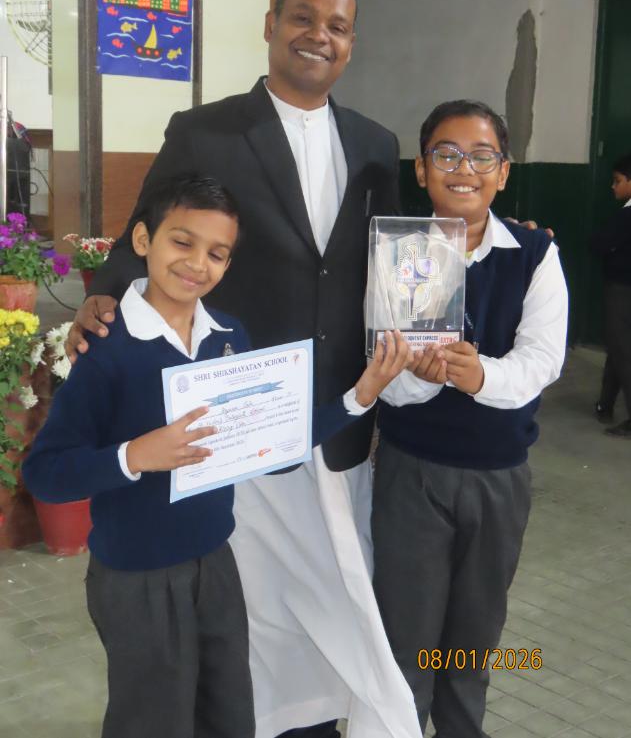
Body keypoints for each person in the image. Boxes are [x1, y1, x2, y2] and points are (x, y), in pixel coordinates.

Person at [63, 0, 411, 738]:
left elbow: (400, 261)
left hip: (337, 411)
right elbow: (145, 232)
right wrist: (104, 296)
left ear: (351, 43)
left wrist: (490, 250)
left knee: (334, 587)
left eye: (336, 26)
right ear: (269, 24)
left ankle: (319, 719)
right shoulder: (207, 131)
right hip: (240, 405)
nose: (318, 35)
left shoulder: (375, 145)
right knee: (248, 599)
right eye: (302, 18)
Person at [23, 173, 412, 738]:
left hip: (216, 562)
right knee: (152, 721)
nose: (197, 263)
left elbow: (271, 446)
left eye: (217, 253)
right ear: (143, 241)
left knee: (227, 710)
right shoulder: (107, 348)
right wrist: (135, 455)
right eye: (182, 242)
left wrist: (358, 398)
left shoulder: (227, 334)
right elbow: (46, 474)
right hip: (137, 576)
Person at [371, 100, 568, 737]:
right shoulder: (404, 251)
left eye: (482, 156)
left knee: (473, 639)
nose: (464, 169)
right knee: (406, 634)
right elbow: (386, 376)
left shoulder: (533, 253)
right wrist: (420, 379)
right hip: (412, 473)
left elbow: (542, 359)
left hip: (498, 476)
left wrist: (479, 375)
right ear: (421, 169)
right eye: (447, 155)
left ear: (503, 172)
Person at [591, 153, 631, 437]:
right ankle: (605, 403)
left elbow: (597, 244)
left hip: (621, 290)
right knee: (618, 348)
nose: (613, 186)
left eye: (618, 181)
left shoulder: (625, 216)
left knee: (622, 351)